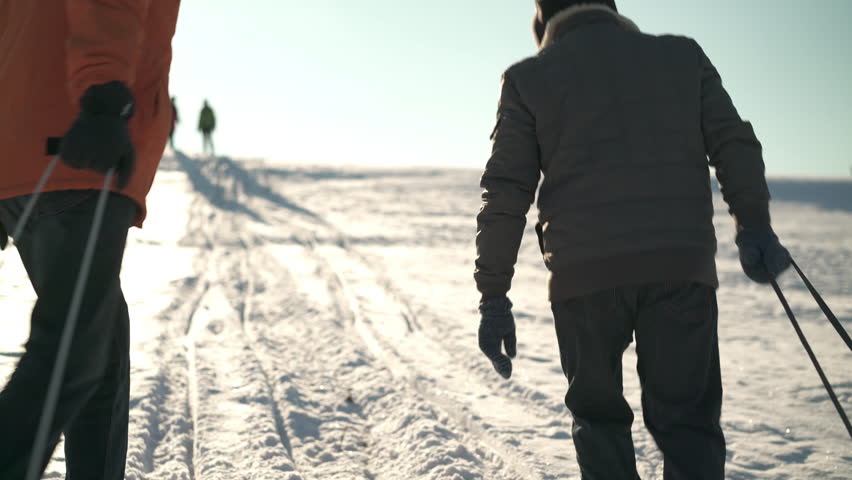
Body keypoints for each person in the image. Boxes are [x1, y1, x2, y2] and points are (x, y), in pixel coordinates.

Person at [474, 1, 791, 479]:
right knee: (688, 426)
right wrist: (753, 223)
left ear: (544, 19)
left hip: (584, 281)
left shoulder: (527, 79)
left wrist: (494, 295)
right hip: (680, 271)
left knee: (599, 422)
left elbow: (505, 194)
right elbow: (733, 143)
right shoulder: (682, 57)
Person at [0, 1, 180, 479]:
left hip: (27, 154)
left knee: (99, 347)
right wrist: (104, 93)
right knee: (75, 351)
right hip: (77, 146)